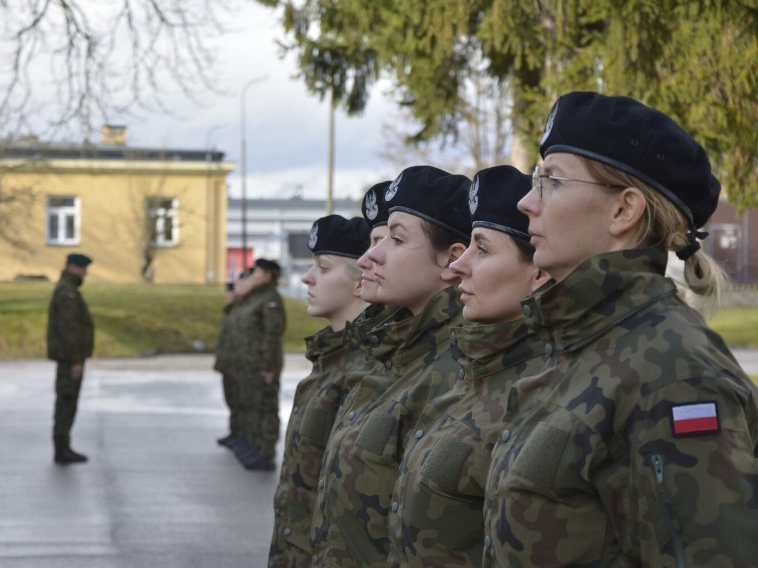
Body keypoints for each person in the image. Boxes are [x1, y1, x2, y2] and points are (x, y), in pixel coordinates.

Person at [483, 91, 758, 566]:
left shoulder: (673, 371)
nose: (527, 202)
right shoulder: (578, 343)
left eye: (551, 180)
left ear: (623, 211)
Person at [387, 166, 550, 566]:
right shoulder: (471, 371)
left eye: (483, 248)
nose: (458, 267)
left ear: (539, 273)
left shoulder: (541, 388)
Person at [311, 165, 471, 566]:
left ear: (452, 258)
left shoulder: (460, 368)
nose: (369, 257)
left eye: (396, 240)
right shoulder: (393, 353)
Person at [268, 214, 371, 567]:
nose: (307, 277)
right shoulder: (332, 361)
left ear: (360, 283)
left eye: (323, 268)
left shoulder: (365, 372)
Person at [227, 258, 287, 471]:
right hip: (249, 363)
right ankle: (253, 445)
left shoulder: (270, 299)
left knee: (265, 408)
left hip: (263, 364)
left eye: (258, 272)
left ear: (269, 274)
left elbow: (272, 334)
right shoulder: (256, 298)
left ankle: (265, 451)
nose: (253, 276)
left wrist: (269, 366)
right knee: (251, 405)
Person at [47, 252, 95, 465]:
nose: (85, 273)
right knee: (66, 402)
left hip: (70, 357)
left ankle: (64, 446)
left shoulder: (69, 291)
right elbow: (69, 330)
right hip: (69, 359)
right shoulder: (67, 293)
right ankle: (61, 448)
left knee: (68, 403)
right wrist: (76, 360)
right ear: (73, 267)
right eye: (82, 269)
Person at [213, 269, 251, 449]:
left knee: (245, 404)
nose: (228, 295)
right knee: (234, 402)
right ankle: (237, 434)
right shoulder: (233, 310)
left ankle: (250, 442)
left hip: (241, 365)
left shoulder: (243, 309)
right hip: (230, 364)